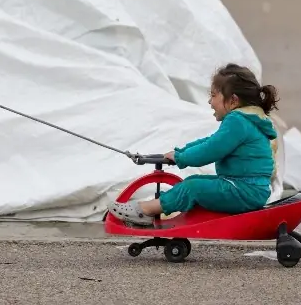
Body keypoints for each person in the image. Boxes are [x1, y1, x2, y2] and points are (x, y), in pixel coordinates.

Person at [108, 63, 279, 225]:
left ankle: (145, 211)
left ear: (233, 100)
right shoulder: (247, 120)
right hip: (249, 188)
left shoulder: (237, 121)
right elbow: (211, 141)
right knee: (195, 180)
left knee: (193, 187)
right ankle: (152, 209)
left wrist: (182, 157)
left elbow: (211, 150)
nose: (209, 102)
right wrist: (180, 152)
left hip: (244, 190)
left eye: (213, 95)